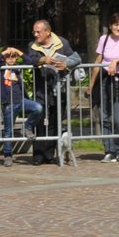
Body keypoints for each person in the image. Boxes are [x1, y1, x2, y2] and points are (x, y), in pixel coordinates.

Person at [22, 20, 80, 166]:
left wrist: (66, 64)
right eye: (34, 32)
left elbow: (76, 57)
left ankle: (49, 154)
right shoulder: (32, 45)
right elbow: (31, 59)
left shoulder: (62, 43)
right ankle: (38, 154)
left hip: (58, 88)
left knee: (55, 120)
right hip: (40, 89)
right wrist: (43, 59)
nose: (35, 34)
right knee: (39, 119)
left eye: (38, 31)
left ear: (47, 32)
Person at [91, 13, 119, 162]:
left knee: (118, 118)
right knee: (105, 116)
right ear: (110, 26)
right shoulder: (104, 39)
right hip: (104, 80)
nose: (118, 28)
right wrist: (91, 84)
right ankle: (108, 150)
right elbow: (98, 61)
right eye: (115, 25)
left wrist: (116, 61)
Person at [0, 41, 44, 167]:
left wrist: (19, 52)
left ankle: (26, 127)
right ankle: (8, 155)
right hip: (8, 103)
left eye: (13, 56)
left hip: (21, 100)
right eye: (8, 57)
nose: (11, 59)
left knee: (38, 108)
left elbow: (31, 62)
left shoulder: (18, 67)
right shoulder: (0, 67)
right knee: (8, 131)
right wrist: (4, 53)